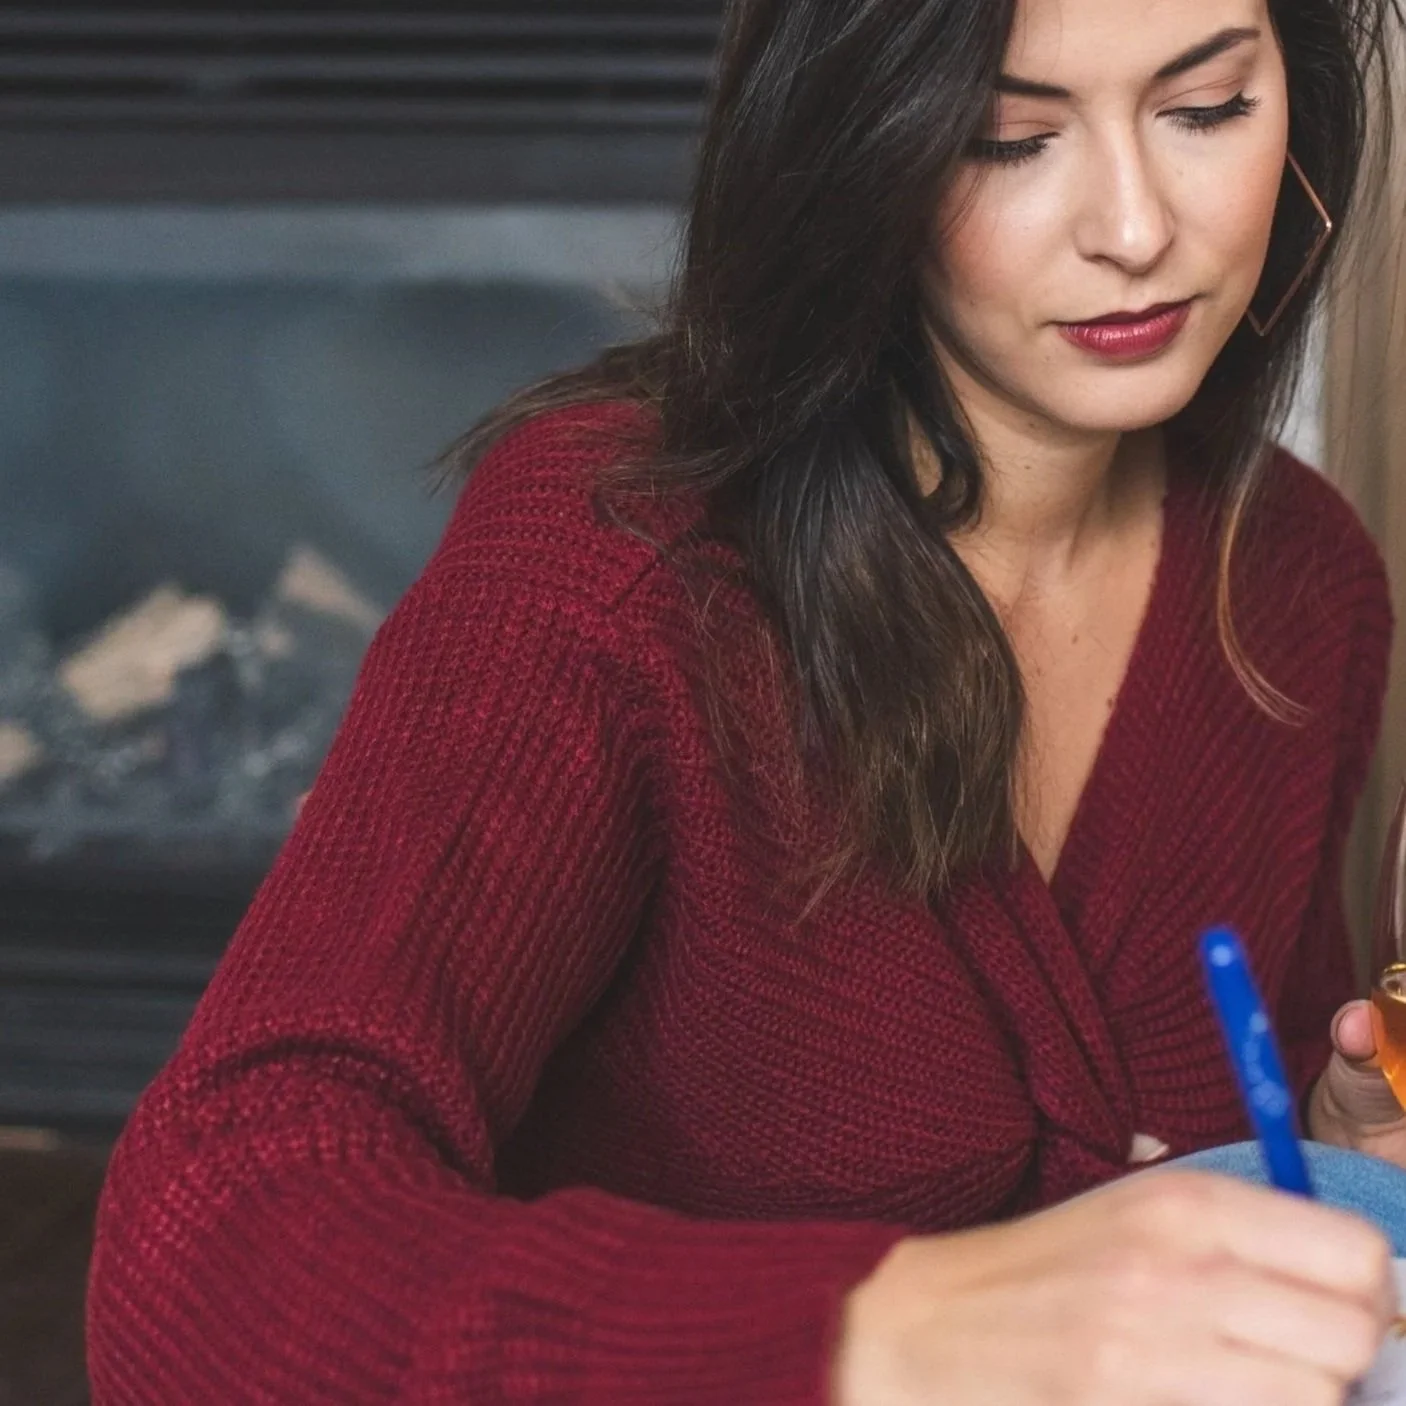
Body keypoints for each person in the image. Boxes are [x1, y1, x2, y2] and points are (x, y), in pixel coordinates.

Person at [87, 0, 1406, 1401]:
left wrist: (1338, 1118)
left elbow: (1238, 1087)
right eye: (1006, 138)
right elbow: (201, 1257)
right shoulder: (611, 565)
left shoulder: (1296, 581)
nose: (1135, 227)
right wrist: (879, 1328)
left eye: (1203, 109)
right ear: (855, 146)